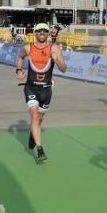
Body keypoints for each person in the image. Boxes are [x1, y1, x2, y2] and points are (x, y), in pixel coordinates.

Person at [16, 23, 68, 163]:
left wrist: (57, 61)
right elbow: (20, 57)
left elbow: (64, 69)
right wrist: (19, 70)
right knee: (34, 115)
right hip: (31, 87)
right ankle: (40, 149)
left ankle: (34, 134)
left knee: (39, 119)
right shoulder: (28, 47)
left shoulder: (54, 48)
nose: (42, 33)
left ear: (48, 33)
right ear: (35, 33)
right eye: (39, 31)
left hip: (46, 90)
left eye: (45, 31)